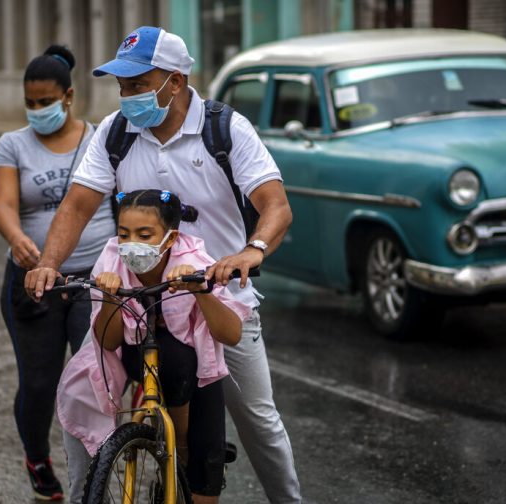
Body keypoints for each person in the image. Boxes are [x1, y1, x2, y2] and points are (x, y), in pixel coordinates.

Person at [25, 27, 301, 503]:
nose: (127, 95)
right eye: (122, 86)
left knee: (258, 420)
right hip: (136, 303)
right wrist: (49, 263)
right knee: (81, 397)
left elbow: (275, 205)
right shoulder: (115, 132)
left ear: (174, 81)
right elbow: (76, 206)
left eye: (138, 84)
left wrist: (250, 251)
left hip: (217, 302)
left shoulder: (225, 128)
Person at [58, 189, 251, 503]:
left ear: (171, 237)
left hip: (197, 374)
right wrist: (110, 298)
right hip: (137, 355)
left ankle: (185, 448)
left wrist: (200, 289)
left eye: (144, 235)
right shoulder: (110, 259)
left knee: (204, 482)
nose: (132, 243)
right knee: (163, 363)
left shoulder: (195, 261)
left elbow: (231, 335)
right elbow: (108, 341)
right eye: (124, 234)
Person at [0, 44, 114, 501]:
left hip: (93, 280)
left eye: (46, 101)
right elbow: (3, 204)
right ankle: (38, 458)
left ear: (69, 96)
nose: (38, 110)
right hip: (33, 283)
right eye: (31, 103)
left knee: (91, 380)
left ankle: (95, 469)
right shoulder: (12, 144)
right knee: (40, 382)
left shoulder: (101, 138)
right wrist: (16, 238)